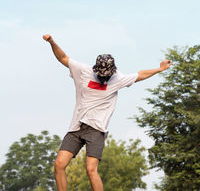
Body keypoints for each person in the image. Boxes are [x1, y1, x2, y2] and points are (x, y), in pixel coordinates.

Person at [43, 34, 172, 191]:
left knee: (91, 170)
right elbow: (63, 57)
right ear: (96, 69)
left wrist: (160, 69)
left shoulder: (118, 78)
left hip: (96, 129)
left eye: (107, 75)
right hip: (77, 126)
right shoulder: (83, 71)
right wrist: (51, 42)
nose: (104, 78)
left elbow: (140, 74)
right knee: (59, 164)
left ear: (112, 71)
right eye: (101, 75)